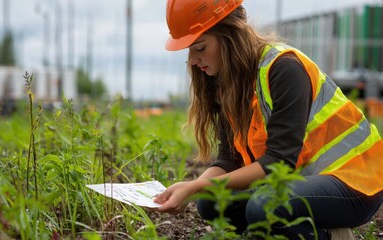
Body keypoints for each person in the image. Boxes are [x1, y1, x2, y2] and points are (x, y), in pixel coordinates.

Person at [152, 0, 383, 239]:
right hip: (306, 182)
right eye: (189, 51)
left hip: (356, 182)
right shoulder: (228, 83)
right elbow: (229, 158)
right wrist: (190, 189)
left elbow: (278, 161)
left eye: (199, 48)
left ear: (230, 35)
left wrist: (196, 187)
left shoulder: (284, 68)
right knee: (210, 204)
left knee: (265, 206)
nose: (192, 60)